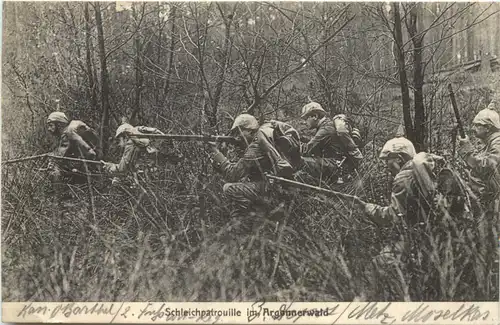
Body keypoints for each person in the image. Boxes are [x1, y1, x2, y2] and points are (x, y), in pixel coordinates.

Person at [206, 114, 295, 219]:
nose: (237, 137)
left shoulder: (255, 147)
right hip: (278, 187)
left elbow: (232, 174)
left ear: (250, 131)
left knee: (229, 188)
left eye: (239, 132)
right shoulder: (266, 137)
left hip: (272, 190)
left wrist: (216, 151)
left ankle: (251, 215)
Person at [298, 102, 363, 185]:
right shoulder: (327, 126)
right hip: (339, 164)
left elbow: (306, 150)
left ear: (315, 116)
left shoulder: (325, 129)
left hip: (336, 166)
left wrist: (291, 144)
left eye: (306, 118)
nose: (304, 122)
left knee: (301, 161)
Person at [46, 111, 98, 192]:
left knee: (54, 167)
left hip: (89, 166)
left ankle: (57, 196)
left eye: (51, 125)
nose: (49, 129)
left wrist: (50, 159)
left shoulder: (67, 134)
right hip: (92, 162)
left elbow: (59, 156)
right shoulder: (72, 130)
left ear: (59, 125)